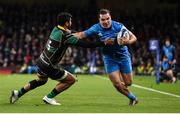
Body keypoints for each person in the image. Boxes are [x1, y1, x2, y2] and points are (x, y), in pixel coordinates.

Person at [10, 12, 112, 105]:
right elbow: (86, 45)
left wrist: (87, 33)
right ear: (67, 23)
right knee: (71, 80)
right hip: (49, 65)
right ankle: (49, 98)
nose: (71, 22)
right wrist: (103, 42)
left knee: (41, 81)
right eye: (70, 21)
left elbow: (72, 32)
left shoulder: (55, 29)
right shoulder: (65, 37)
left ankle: (17, 93)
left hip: (41, 61)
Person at [74, 9, 138, 106]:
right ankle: (132, 98)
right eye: (103, 20)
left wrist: (127, 42)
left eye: (108, 19)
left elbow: (134, 37)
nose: (106, 21)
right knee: (116, 83)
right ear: (99, 20)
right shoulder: (96, 28)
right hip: (109, 58)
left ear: (110, 17)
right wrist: (67, 35)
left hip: (123, 56)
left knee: (128, 83)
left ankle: (121, 82)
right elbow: (82, 34)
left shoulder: (119, 26)